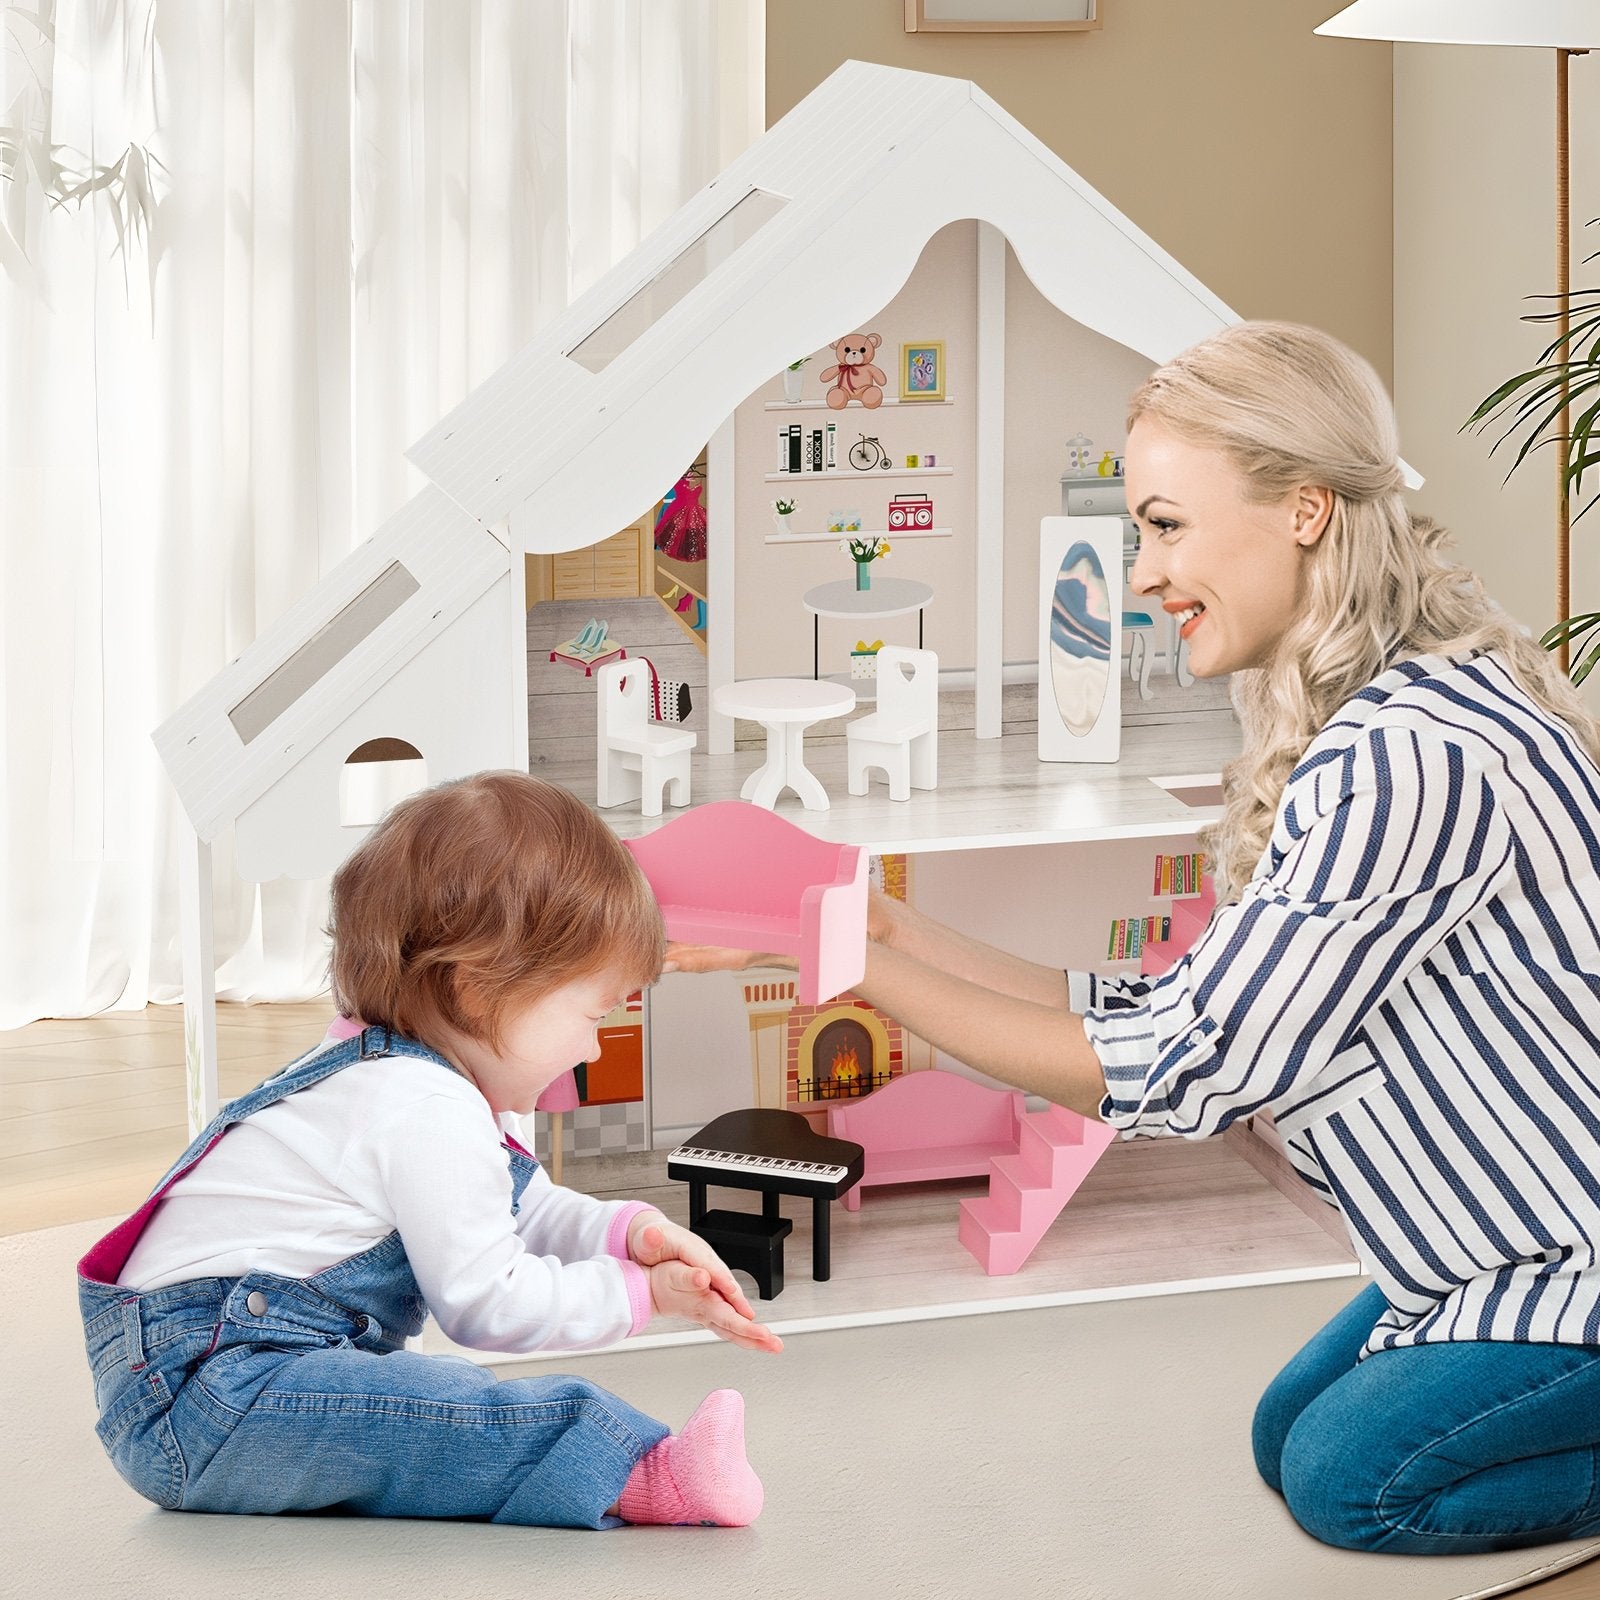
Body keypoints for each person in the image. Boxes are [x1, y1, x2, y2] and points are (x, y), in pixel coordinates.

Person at [668, 321, 1600, 1555]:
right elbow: (1158, 1004)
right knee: (1285, 1431)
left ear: (1305, 510)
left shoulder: (1405, 758)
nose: (1144, 571)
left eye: (1166, 524)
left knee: (1348, 1480)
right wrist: (893, 927)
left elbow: (1184, 1071)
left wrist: (843, 961)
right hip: (1480, 1240)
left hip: (1564, 1257)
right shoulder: (1385, 720)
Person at [77, 772, 781, 1530]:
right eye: (592, 1012)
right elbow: (490, 1303)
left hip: (215, 1370)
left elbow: (523, 1204)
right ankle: (648, 1472)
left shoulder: (411, 1079)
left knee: (422, 1402)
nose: (593, 1043)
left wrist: (626, 1234)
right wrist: (643, 1295)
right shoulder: (420, 1107)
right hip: (211, 1395)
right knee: (451, 1407)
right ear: (479, 991)